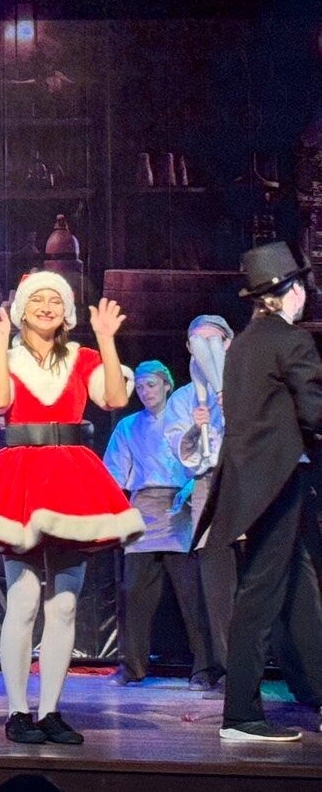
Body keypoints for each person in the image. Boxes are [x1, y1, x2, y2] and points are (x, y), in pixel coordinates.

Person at [0, 271, 141, 747]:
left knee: (66, 603)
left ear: (68, 311)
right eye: (38, 299)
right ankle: (18, 710)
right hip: (21, 477)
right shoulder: (7, 356)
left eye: (56, 299)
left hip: (72, 477)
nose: (47, 306)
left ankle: (51, 710)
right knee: (23, 600)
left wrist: (106, 339)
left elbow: (114, 398)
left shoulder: (83, 356)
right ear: (22, 309)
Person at [192, 242, 322, 743]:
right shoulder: (291, 340)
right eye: (302, 286)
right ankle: (241, 715)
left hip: (256, 483)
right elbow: (314, 412)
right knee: (261, 596)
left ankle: (315, 692)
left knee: (298, 589)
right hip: (279, 480)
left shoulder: (245, 343)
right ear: (291, 291)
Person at [103, 360, 213, 688]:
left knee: (192, 595)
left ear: (167, 385)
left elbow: (205, 461)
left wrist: (191, 490)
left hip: (182, 506)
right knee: (134, 594)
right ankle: (132, 667)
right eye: (139, 387)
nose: (145, 391)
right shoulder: (128, 426)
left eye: (151, 384)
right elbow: (113, 474)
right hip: (143, 509)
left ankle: (204, 669)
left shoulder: (184, 419)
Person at [167, 314, 235, 693]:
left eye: (213, 340)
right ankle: (218, 666)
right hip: (208, 487)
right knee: (214, 585)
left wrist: (234, 407)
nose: (206, 348)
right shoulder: (182, 398)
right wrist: (197, 426)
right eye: (198, 342)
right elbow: (181, 452)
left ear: (228, 343)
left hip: (245, 484)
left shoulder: (246, 384)